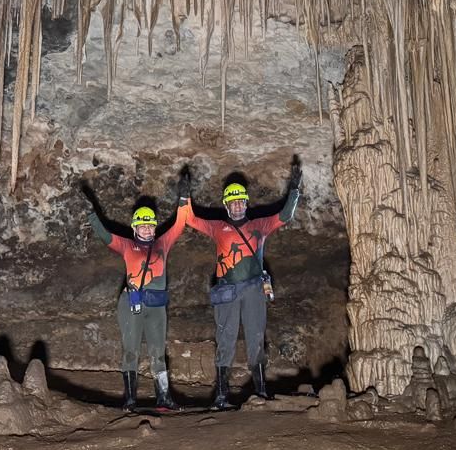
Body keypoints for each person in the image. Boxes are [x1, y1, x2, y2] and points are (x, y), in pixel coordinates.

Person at [186, 159, 301, 408]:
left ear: (246, 203)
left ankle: (260, 390)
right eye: (233, 202)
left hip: (254, 289)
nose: (237, 205)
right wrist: (184, 198)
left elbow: (285, 215)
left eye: (240, 201)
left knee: (256, 337)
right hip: (228, 291)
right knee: (225, 339)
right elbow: (190, 219)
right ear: (227, 205)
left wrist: (294, 190)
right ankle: (221, 395)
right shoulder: (218, 227)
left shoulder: (259, 225)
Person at [86, 172, 192, 411]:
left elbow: (179, 224)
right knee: (131, 350)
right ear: (135, 227)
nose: (146, 229)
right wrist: (91, 213)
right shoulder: (127, 245)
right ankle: (130, 399)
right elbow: (105, 235)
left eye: (150, 225)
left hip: (156, 306)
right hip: (131, 303)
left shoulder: (162, 243)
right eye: (142, 226)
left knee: (158, 352)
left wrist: (184, 198)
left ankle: (163, 397)